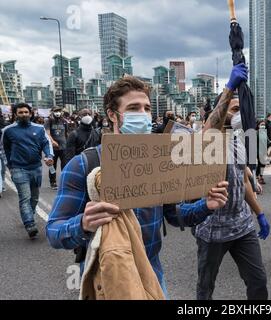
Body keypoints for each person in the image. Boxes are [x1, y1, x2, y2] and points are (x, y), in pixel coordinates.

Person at [46, 76, 230, 298]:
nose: (142, 114)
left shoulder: (161, 163)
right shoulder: (84, 165)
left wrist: (206, 205)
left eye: (147, 108)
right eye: (133, 108)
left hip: (152, 271)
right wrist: (83, 223)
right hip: (107, 274)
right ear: (112, 114)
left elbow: (173, 216)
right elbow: (54, 231)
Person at [194, 63, 270, 300]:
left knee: (258, 283)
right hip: (212, 230)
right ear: (222, 108)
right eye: (233, 108)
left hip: (242, 226)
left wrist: (259, 213)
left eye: (241, 109)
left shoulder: (238, 140)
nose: (238, 114)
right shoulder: (205, 140)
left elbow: (242, 181)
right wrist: (229, 89)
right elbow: (208, 133)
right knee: (206, 286)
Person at [1, 103, 54, 238]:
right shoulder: (8, 130)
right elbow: (4, 149)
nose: (24, 114)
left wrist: (49, 156)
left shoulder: (39, 128)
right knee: (25, 197)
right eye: (20, 112)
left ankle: (28, 214)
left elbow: (45, 143)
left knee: (35, 197)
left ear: (30, 113)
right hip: (18, 169)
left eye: (26, 112)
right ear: (15, 114)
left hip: (36, 168)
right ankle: (30, 223)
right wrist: (10, 165)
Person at [45, 106, 69, 190]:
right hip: (53, 148)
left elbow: (66, 134)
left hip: (63, 147)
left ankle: (64, 181)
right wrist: (52, 141)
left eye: (59, 111)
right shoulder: (49, 121)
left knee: (65, 165)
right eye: (56, 111)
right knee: (52, 165)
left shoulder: (64, 121)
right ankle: (53, 182)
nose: (58, 112)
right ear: (52, 112)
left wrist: (68, 143)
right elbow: (47, 134)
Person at [256, 120, 268, 185]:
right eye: (261, 124)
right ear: (258, 126)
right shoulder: (257, 133)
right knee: (261, 164)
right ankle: (258, 177)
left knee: (263, 165)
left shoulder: (264, 133)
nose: (263, 126)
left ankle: (260, 176)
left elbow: (268, 142)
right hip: (259, 152)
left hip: (264, 151)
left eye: (264, 125)